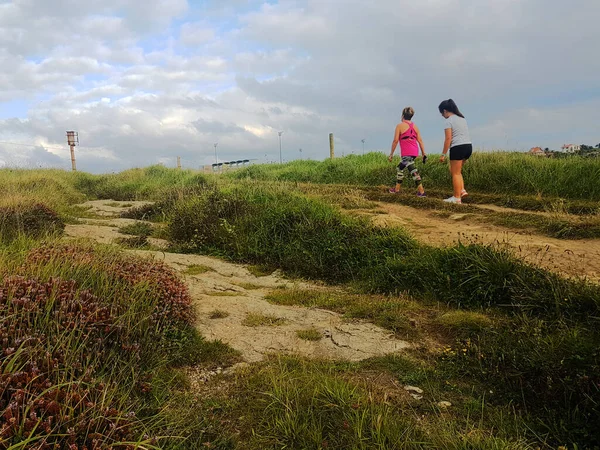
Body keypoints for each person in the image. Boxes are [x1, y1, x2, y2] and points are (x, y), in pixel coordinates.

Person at [388, 106, 427, 196]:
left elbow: (395, 141)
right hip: (414, 151)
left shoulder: (400, 126)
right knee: (400, 168)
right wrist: (424, 153)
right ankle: (397, 189)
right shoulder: (415, 127)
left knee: (413, 171)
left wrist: (391, 154)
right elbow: (420, 141)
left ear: (402, 116)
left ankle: (422, 192)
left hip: (407, 152)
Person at [438, 99, 472, 204]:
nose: (442, 115)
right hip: (468, 146)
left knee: (455, 173)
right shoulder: (462, 119)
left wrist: (443, 154)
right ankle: (461, 190)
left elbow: (448, 139)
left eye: (441, 113)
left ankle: (456, 198)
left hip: (458, 147)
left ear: (445, 111)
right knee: (456, 171)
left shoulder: (448, 121)